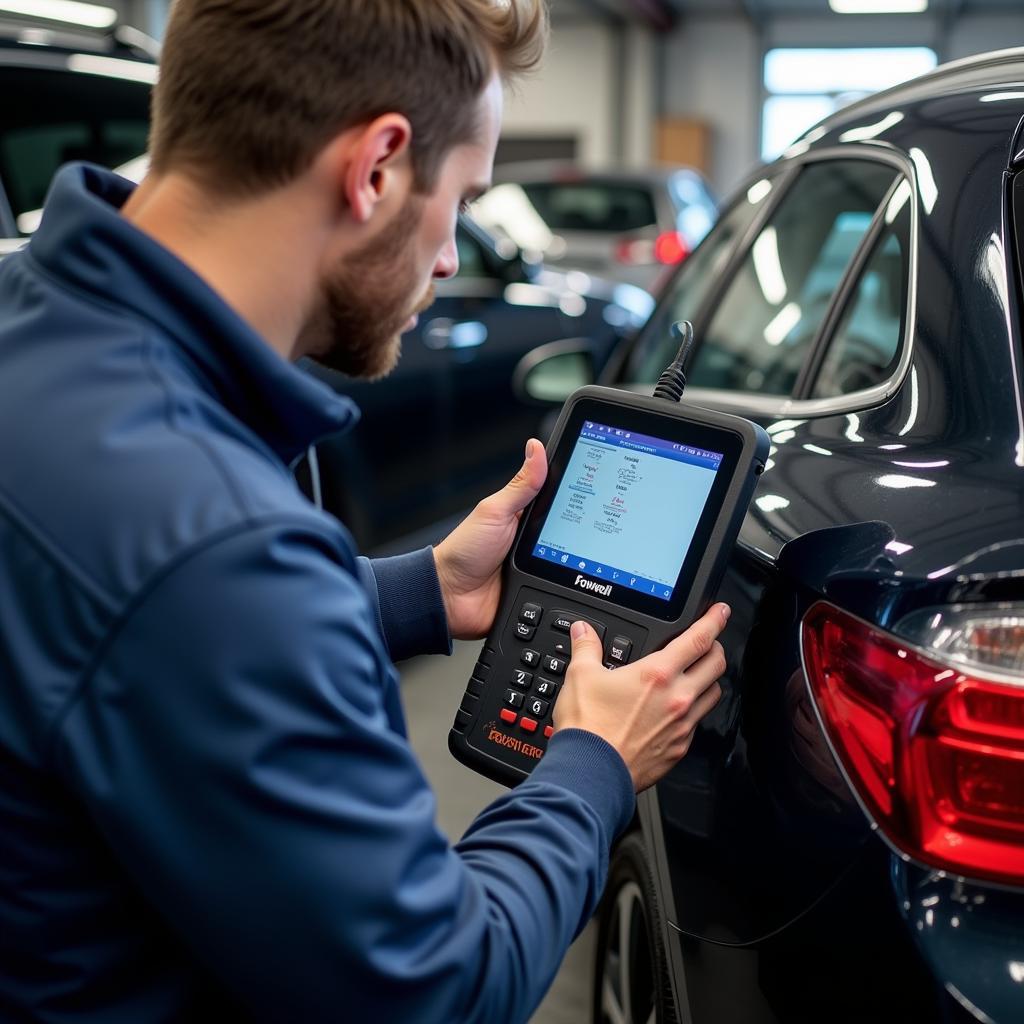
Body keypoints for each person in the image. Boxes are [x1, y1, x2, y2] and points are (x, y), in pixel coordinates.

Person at [0, 1, 727, 1021]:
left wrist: (413, 590)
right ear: (377, 167)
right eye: (462, 199)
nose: (445, 256)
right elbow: (437, 986)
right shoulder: (218, 542)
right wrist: (592, 766)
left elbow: (130, 638)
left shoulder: (30, 315)